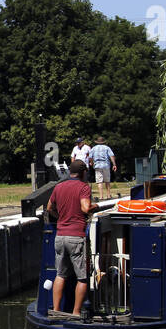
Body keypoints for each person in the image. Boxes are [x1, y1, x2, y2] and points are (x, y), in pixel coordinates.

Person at [47, 158, 93, 317]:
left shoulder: (58, 187)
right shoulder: (84, 187)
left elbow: (49, 208)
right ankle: (76, 312)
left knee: (60, 274)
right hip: (76, 237)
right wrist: (96, 206)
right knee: (82, 278)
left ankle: (56, 310)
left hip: (60, 236)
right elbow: (85, 207)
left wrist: (59, 216)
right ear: (83, 173)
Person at [88, 135, 117, 200]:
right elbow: (112, 156)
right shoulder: (107, 148)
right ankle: (108, 195)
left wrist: (92, 163)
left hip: (97, 165)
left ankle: (101, 196)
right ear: (103, 142)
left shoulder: (93, 148)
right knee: (107, 181)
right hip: (106, 165)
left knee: (99, 181)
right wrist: (114, 164)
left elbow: (90, 157)